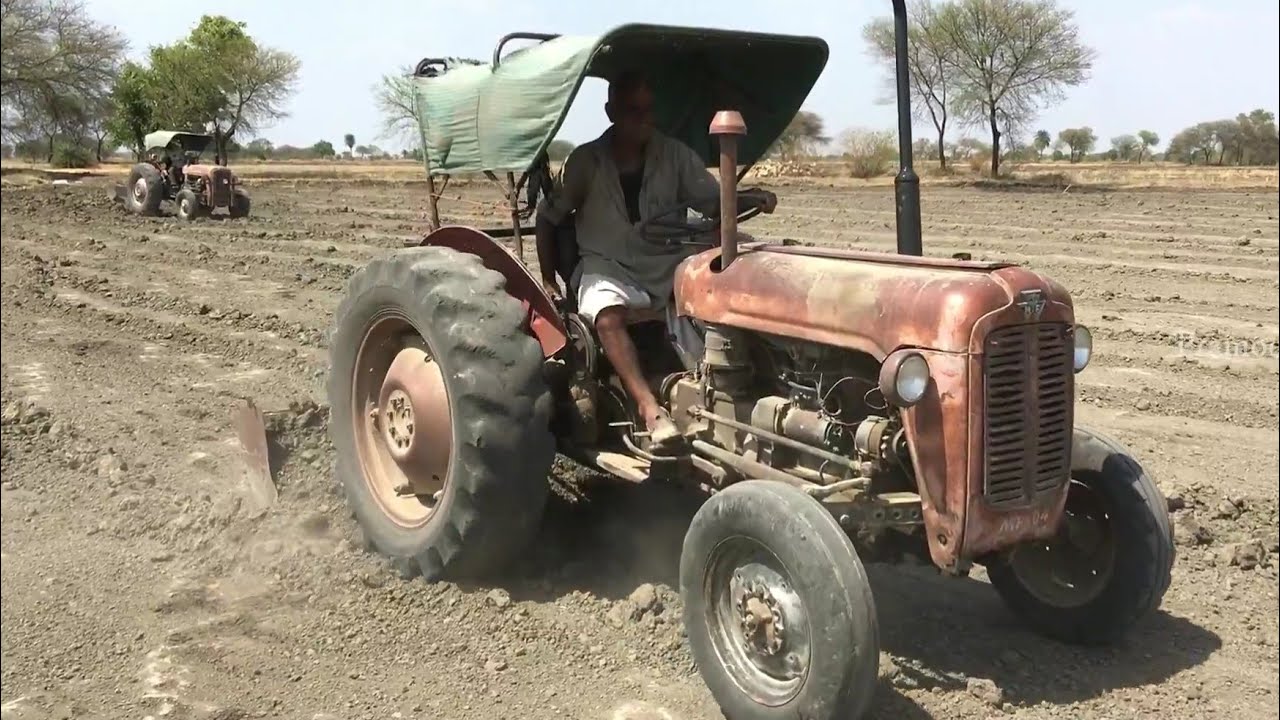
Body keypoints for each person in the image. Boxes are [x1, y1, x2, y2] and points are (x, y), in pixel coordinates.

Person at [534, 70, 776, 450]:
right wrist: (549, 280)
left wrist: (747, 197)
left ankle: (722, 394)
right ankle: (650, 409)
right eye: (632, 111)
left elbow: (711, 204)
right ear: (611, 112)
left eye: (648, 110)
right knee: (607, 312)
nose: (643, 119)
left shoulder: (675, 156)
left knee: (726, 286)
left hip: (665, 262)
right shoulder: (586, 161)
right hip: (607, 264)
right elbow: (548, 218)